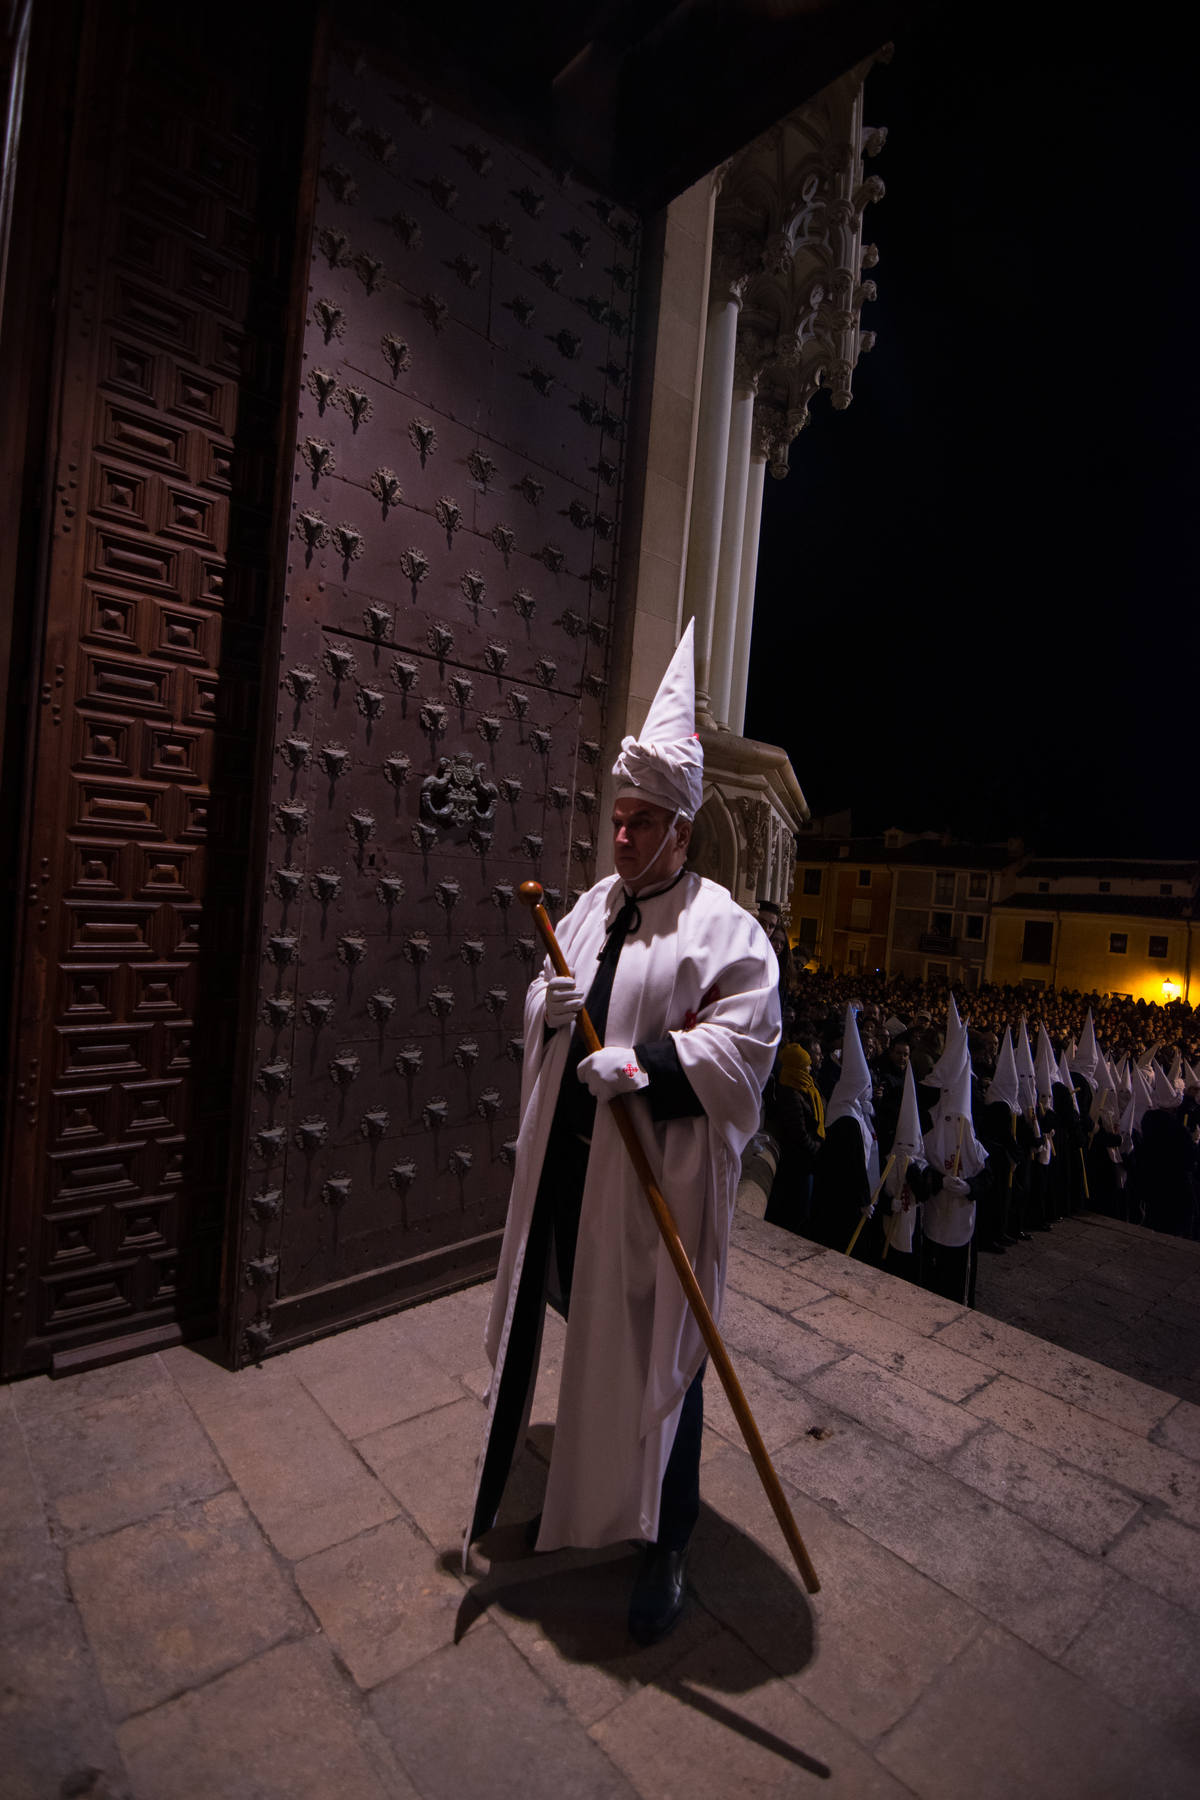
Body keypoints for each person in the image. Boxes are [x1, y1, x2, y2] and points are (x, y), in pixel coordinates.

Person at [465, 622, 780, 1647]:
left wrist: (645, 1069)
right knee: (581, 1334)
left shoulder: (725, 930)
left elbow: (743, 1051)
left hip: (653, 1195)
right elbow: (544, 996)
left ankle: (669, 1541)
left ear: (685, 831)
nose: (624, 840)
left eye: (645, 825)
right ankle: (575, 1499)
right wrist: (548, 1013)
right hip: (573, 1179)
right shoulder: (598, 903)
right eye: (619, 820)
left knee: (663, 1360)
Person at [763, 1038, 825, 1234]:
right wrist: (817, 1147)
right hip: (797, 1165)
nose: (809, 1068)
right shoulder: (790, 1093)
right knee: (795, 1212)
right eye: (806, 1065)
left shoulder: (806, 1086)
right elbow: (798, 1134)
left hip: (804, 1164)